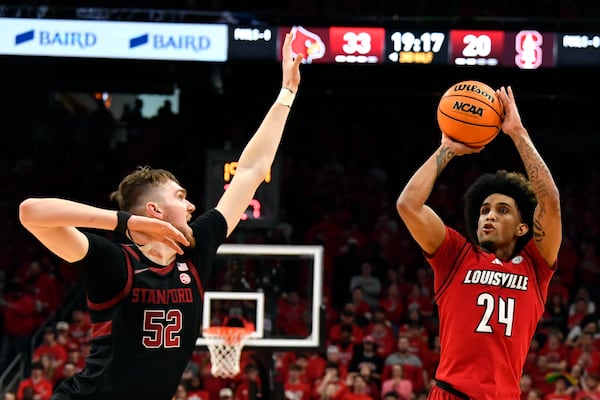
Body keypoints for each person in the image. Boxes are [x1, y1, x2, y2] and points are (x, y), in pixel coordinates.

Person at [17, 31, 303, 400]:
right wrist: (126, 223)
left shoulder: (195, 248)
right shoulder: (114, 261)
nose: (191, 205)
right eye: (180, 196)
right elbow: (31, 212)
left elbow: (251, 169)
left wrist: (286, 94)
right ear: (153, 209)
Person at [395, 86, 561, 399]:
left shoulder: (536, 266)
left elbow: (550, 202)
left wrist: (518, 133)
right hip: (451, 393)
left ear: (523, 227)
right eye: (484, 210)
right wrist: (447, 149)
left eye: (502, 211)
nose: (489, 216)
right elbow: (408, 206)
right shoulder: (455, 256)